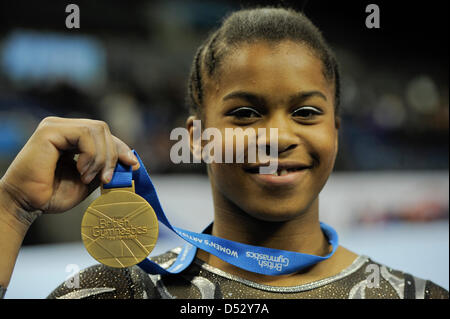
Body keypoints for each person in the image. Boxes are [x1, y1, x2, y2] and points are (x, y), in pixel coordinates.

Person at [0, 6, 447, 299]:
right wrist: (12, 208)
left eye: (306, 111)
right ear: (197, 138)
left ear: (336, 130)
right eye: (246, 113)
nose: (276, 135)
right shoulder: (112, 293)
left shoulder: (418, 296)